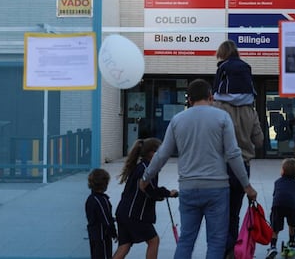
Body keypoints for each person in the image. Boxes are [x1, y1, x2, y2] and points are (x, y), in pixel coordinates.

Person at [139, 79, 258, 259]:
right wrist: (246, 185)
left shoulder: (177, 120)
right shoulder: (222, 117)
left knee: (186, 239)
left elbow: (162, 154)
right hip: (217, 189)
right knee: (216, 241)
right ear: (211, 97)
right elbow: (233, 154)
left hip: (188, 188)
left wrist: (146, 177)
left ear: (189, 100)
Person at [212, 40, 264, 258]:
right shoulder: (250, 110)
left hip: (219, 166)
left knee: (217, 213)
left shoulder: (216, 108)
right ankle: (231, 250)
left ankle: (219, 249)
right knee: (233, 212)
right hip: (242, 167)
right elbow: (260, 141)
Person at [113, 138, 178, 259]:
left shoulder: (140, 166)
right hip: (134, 214)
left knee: (125, 245)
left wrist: (159, 195)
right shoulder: (147, 168)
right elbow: (150, 190)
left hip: (123, 212)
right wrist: (169, 193)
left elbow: (147, 191)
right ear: (152, 153)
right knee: (154, 241)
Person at [266, 158, 295, 259]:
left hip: (277, 205)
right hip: (292, 205)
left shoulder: (277, 182)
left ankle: (273, 247)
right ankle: (291, 242)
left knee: (275, 228)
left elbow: (275, 195)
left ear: (283, 171)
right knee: (292, 225)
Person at [213, 39, 256, 106]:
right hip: (246, 101)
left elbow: (216, 86)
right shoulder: (246, 66)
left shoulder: (223, 66)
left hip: (226, 101)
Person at [85, 168, 117, 259]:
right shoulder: (102, 200)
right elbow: (106, 220)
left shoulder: (90, 199)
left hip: (93, 234)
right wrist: (113, 232)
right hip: (102, 236)